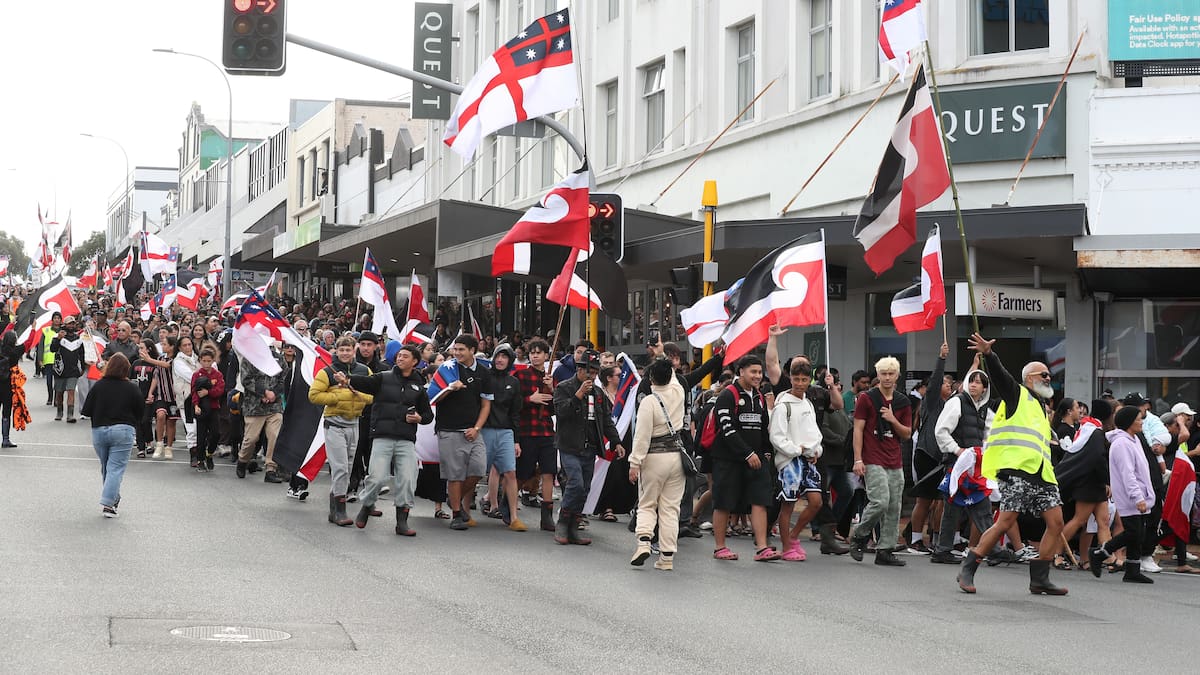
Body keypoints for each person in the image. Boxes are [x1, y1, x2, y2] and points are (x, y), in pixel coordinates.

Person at [956, 333, 1067, 596]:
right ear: (1029, 379)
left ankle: (1040, 578)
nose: (1048, 378)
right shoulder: (1017, 394)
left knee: (1056, 522)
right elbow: (1001, 377)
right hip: (1017, 471)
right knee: (1005, 521)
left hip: (1041, 473)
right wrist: (989, 355)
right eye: (1043, 375)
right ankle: (969, 566)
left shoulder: (1041, 407)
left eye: (1048, 375)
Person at [344, 344, 434, 536]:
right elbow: (363, 382)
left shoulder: (418, 386)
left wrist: (419, 418)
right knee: (376, 478)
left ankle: (402, 521)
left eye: (405, 356)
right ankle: (367, 505)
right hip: (382, 436)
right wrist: (347, 379)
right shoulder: (383, 378)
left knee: (408, 480)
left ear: (415, 361)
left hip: (406, 439)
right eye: (399, 356)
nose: (400, 358)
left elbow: (427, 415)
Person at [709, 355, 777, 562]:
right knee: (723, 502)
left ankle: (762, 547)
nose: (757, 376)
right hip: (728, 460)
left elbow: (764, 428)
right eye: (753, 372)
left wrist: (765, 453)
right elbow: (727, 429)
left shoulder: (758, 396)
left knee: (760, 501)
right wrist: (747, 453)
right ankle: (720, 547)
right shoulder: (727, 396)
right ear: (741, 372)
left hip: (756, 461)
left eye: (759, 372)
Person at [553, 349, 623, 545]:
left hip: (589, 447)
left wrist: (616, 441)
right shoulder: (564, 387)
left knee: (584, 488)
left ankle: (574, 526)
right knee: (574, 482)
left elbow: (606, 421)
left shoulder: (598, 393)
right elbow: (561, 412)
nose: (591, 376)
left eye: (594, 372)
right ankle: (563, 522)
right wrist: (578, 395)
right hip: (569, 445)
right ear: (579, 369)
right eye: (588, 371)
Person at [849, 356, 913, 567]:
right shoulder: (867, 398)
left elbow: (906, 433)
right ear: (878, 375)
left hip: (894, 458)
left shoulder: (903, 401)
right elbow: (857, 430)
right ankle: (860, 534)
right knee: (880, 501)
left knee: (894, 505)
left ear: (897, 376)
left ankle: (885, 549)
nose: (887, 378)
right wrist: (858, 459)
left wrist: (893, 419)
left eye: (891, 374)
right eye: (883, 373)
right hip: (872, 456)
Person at [930, 368, 995, 564]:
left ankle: (945, 550)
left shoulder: (984, 410)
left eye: (978, 382)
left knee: (981, 505)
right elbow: (941, 431)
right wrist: (958, 451)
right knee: (956, 508)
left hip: (975, 467)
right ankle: (992, 549)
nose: (974, 385)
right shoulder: (956, 402)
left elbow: (990, 436)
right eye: (971, 381)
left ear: (985, 388)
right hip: (956, 465)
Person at [308, 335, 373, 526]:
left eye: (349, 349)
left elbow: (372, 396)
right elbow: (313, 395)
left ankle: (333, 509)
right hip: (334, 423)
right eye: (341, 350)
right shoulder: (327, 371)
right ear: (336, 351)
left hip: (354, 423)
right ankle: (340, 511)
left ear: (355, 351)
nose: (345, 353)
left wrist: (351, 389)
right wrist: (336, 397)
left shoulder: (364, 370)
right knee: (340, 468)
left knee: (349, 467)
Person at [628, 358, 686, 571]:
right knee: (671, 508)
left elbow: (641, 436)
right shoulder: (679, 393)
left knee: (647, 503)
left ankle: (644, 541)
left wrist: (635, 463)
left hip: (653, 457)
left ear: (651, 378)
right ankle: (667, 557)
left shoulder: (648, 402)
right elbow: (675, 380)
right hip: (676, 457)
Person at [1089, 406, 1156, 584]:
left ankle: (1132, 569)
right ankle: (1099, 553)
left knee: (1138, 533)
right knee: (1133, 532)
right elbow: (1128, 473)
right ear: (1129, 422)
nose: (1141, 422)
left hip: (1140, 494)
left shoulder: (1134, 440)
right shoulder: (1121, 444)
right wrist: (1137, 497)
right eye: (1138, 419)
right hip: (1130, 496)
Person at [433, 334, 494, 531]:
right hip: (449, 429)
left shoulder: (484, 373)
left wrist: (477, 428)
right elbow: (433, 398)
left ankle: (455, 499)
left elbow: (486, 405)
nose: (457, 353)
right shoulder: (447, 369)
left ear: (472, 351)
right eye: (455, 349)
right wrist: (451, 388)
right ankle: (457, 514)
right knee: (455, 475)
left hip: (473, 431)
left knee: (478, 469)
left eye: (461, 349)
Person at [769, 360, 825, 562]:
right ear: (790, 378)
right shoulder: (783, 406)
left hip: (808, 460)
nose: (800, 383)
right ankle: (786, 547)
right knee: (788, 505)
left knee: (816, 502)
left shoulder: (808, 403)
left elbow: (815, 433)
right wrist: (795, 450)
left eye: (804, 379)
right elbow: (776, 436)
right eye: (796, 379)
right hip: (789, 461)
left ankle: (793, 537)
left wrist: (816, 450)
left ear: (809, 379)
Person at [81, 353, 145, 518]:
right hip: (123, 430)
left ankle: (113, 498)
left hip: (99, 430)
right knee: (115, 468)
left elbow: (86, 410)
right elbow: (141, 412)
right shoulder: (132, 387)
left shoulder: (99, 386)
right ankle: (109, 504)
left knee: (107, 467)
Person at [512, 338, 558, 531]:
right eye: (532, 353)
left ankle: (546, 516)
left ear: (547, 356)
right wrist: (531, 399)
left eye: (539, 352)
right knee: (523, 473)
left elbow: (557, 408)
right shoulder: (521, 375)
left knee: (549, 472)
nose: (535, 355)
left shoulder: (551, 378)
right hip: (527, 430)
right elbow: (513, 404)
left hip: (547, 431)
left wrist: (553, 390)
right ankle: (509, 505)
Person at [481, 343, 527, 532]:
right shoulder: (484, 378)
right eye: (498, 356)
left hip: (506, 431)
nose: (500, 360)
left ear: (510, 360)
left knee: (510, 472)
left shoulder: (514, 382)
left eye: (505, 357)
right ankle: (466, 510)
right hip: (484, 430)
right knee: (476, 472)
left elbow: (516, 412)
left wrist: (516, 439)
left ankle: (514, 517)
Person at [236, 347, 285, 481]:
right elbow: (246, 379)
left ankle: (271, 469)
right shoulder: (250, 357)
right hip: (254, 407)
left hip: (274, 407)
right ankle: (243, 460)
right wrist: (263, 392)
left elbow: (283, 378)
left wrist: (274, 393)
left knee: (274, 436)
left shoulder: (279, 358)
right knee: (251, 439)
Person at [348, 331, 384, 501]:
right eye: (362, 344)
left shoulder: (384, 369)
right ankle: (352, 485)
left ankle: (371, 490)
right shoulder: (351, 367)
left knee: (372, 454)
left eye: (369, 345)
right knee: (354, 453)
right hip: (354, 415)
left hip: (375, 417)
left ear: (376, 346)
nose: (366, 348)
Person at [190, 348, 226, 472]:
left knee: (216, 433)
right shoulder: (196, 374)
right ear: (200, 360)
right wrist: (196, 405)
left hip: (214, 408)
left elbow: (220, 390)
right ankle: (200, 460)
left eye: (208, 361)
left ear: (213, 361)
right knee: (201, 435)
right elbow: (194, 392)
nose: (206, 364)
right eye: (204, 361)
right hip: (201, 409)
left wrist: (208, 392)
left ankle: (209, 454)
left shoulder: (217, 375)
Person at [50, 315, 85, 423]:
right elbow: (52, 349)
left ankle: (70, 415)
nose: (71, 325)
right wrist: (58, 339)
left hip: (73, 370)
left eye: (73, 323)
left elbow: (82, 354)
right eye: (69, 323)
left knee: (71, 391)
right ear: (65, 325)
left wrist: (82, 367)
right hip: (60, 370)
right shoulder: (58, 336)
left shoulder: (78, 339)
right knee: (60, 392)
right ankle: (59, 412)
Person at [171, 335, 199, 459]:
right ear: (179, 347)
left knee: (201, 427)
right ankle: (193, 453)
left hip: (200, 398)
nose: (188, 347)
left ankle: (201, 453)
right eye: (185, 345)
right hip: (186, 399)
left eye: (189, 344)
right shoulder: (178, 362)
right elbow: (192, 377)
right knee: (191, 428)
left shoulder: (198, 358)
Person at [0, 331, 24, 448]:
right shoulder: (16, 352)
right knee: (6, 412)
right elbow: (29, 342)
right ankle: (5, 439)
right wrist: (34, 329)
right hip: (8, 386)